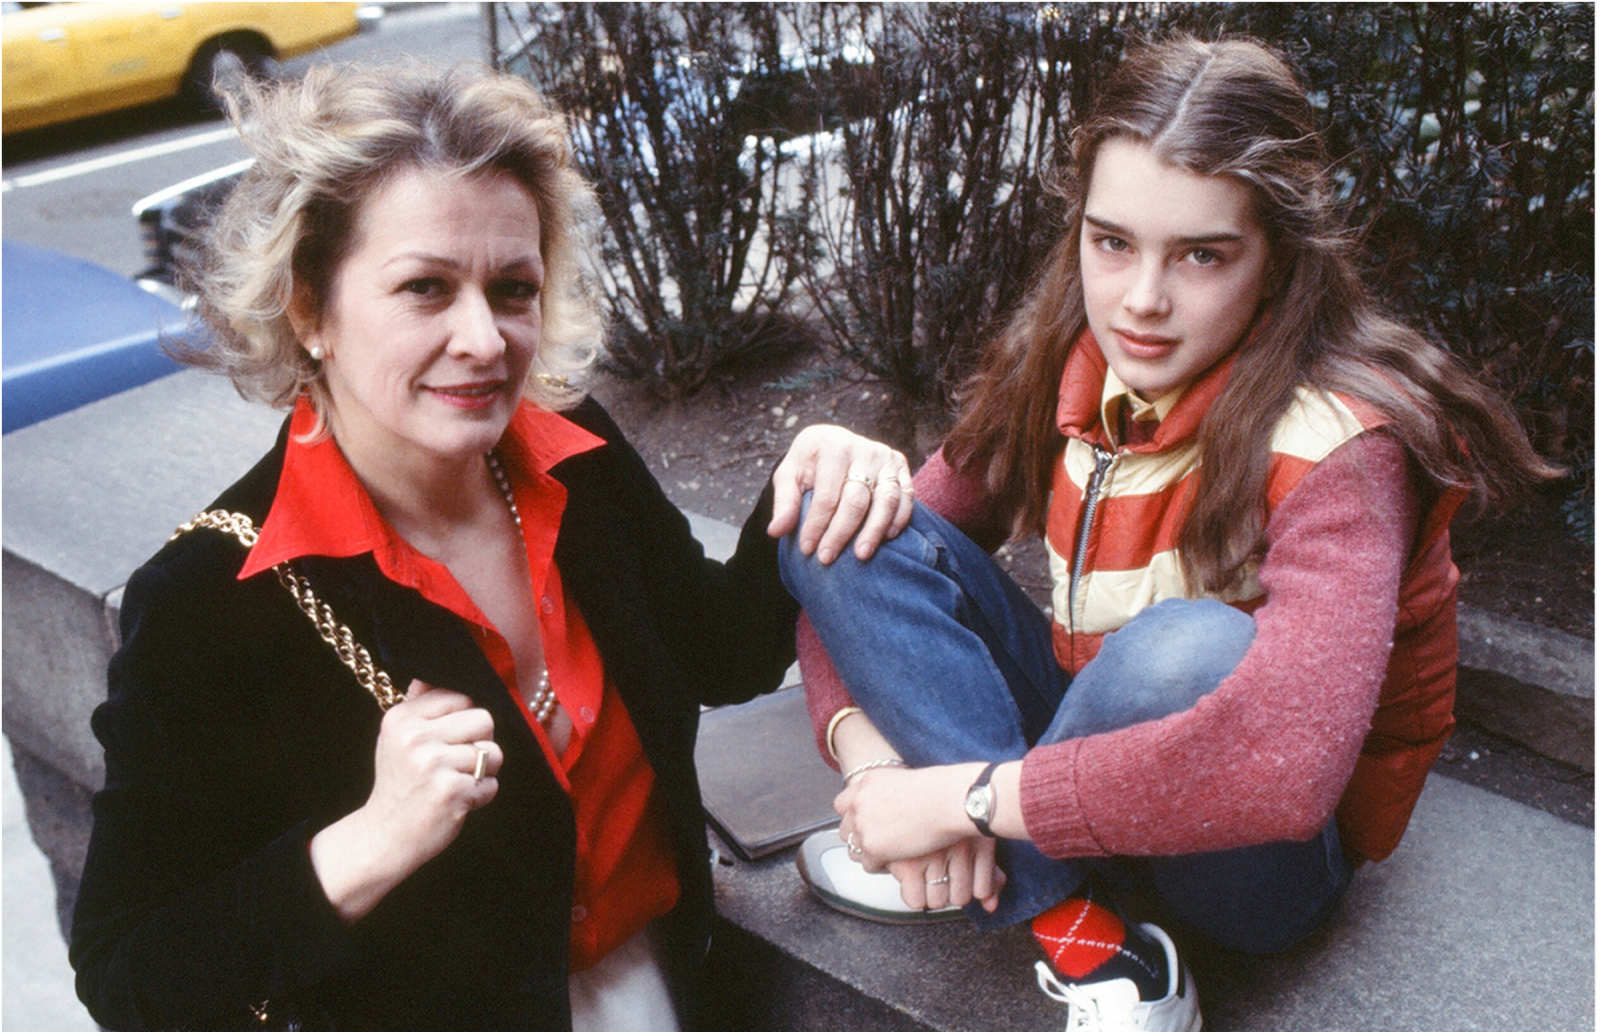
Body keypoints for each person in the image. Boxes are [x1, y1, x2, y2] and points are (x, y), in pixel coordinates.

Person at [68, 63, 911, 1032]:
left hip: (667, 994)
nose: (484, 338)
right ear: (309, 308)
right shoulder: (212, 598)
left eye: (512, 289)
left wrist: (813, 478)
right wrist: (368, 842)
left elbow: (718, 650)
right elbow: (125, 973)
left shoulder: (575, 455)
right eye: (425, 288)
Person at [776, 35, 1559, 1032]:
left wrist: (959, 805)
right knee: (840, 507)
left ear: (1278, 260)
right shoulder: (1074, 359)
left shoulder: (1343, 447)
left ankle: (997, 876)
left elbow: (1282, 774)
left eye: (1201, 255)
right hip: (1070, 775)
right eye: (1113, 243)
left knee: (1183, 650)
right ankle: (1078, 930)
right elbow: (867, 568)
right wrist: (881, 774)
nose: (1142, 300)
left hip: (1251, 862)